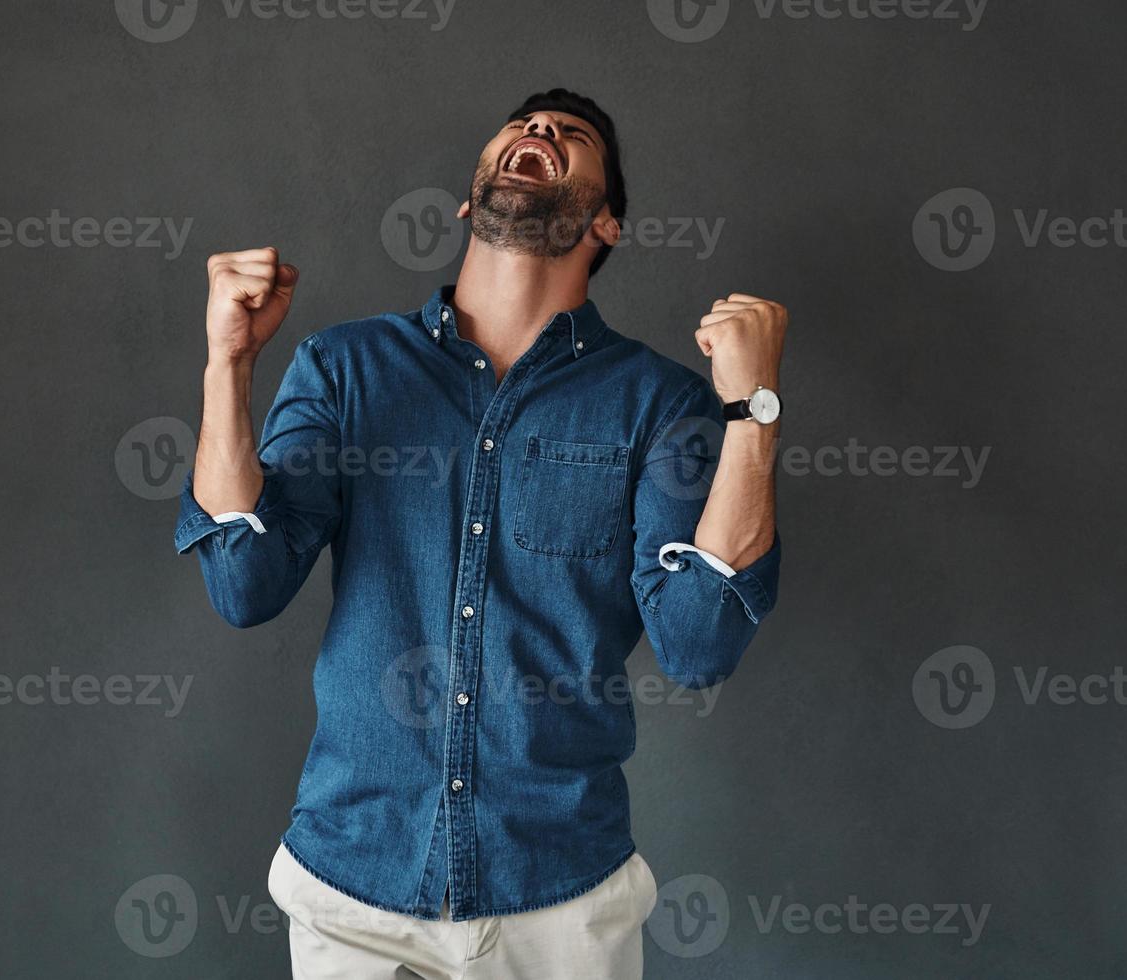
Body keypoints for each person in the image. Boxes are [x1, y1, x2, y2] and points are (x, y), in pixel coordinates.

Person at [175, 87, 786, 979]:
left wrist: (752, 411)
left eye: (572, 135)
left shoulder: (662, 404)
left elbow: (698, 644)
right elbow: (244, 584)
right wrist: (227, 364)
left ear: (605, 224)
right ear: (470, 201)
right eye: (523, 125)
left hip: (563, 902)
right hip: (353, 894)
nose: (540, 130)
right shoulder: (346, 369)